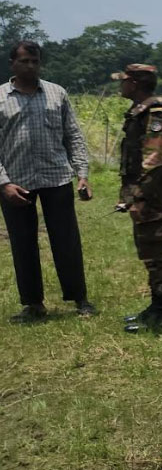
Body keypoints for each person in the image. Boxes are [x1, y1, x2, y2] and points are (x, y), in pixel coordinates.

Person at [0, 40, 95, 322]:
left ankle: (80, 298)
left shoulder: (57, 93)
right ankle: (33, 304)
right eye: (25, 61)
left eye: (35, 61)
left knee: (66, 240)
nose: (31, 66)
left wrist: (83, 175)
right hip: (17, 182)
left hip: (56, 178)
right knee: (23, 242)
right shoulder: (1, 97)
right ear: (12, 64)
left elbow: (73, 135)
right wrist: (4, 183)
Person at [114, 64, 162, 333]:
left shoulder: (156, 112)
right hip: (144, 189)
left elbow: (156, 159)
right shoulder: (141, 110)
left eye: (123, 80)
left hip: (151, 189)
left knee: (155, 249)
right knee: (148, 249)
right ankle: (157, 305)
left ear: (135, 83)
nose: (120, 85)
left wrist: (137, 195)